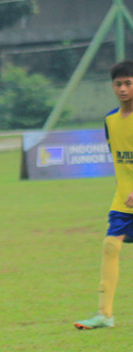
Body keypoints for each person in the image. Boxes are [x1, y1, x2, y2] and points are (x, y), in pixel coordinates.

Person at [75, 60, 133, 330]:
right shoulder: (110, 120)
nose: (123, 89)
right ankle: (104, 314)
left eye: (128, 83)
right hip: (123, 199)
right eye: (118, 84)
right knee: (110, 246)